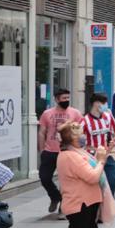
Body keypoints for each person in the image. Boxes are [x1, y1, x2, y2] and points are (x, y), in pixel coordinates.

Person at [38, 88, 83, 217]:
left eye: (68, 98)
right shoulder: (47, 113)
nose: (66, 101)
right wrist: (42, 150)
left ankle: (64, 207)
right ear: (57, 99)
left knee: (66, 181)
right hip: (50, 151)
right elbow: (42, 132)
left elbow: (80, 132)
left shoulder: (75, 113)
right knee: (44, 178)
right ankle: (55, 197)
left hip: (67, 152)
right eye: (64, 98)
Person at [83, 92, 115, 196]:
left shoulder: (108, 116)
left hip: (108, 154)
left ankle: (109, 205)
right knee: (95, 184)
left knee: (112, 181)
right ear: (96, 103)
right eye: (104, 102)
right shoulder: (84, 120)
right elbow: (79, 140)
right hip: (92, 157)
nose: (106, 105)